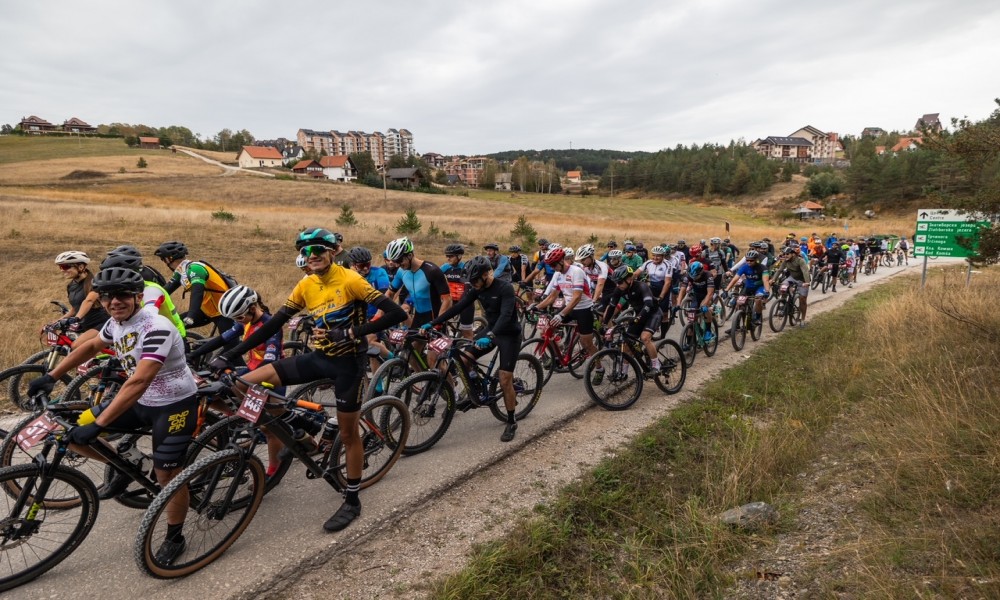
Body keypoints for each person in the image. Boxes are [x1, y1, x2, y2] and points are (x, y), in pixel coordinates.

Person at [209, 227, 407, 532]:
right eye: (307, 252)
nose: (312, 256)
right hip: (318, 357)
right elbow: (272, 323)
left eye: (318, 250)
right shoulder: (306, 284)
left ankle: (352, 500)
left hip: (347, 365)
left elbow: (395, 314)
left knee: (350, 434)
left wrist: (351, 332)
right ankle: (297, 429)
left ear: (332, 252)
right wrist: (229, 354)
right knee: (243, 382)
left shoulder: (351, 279)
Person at [29, 267, 198, 565]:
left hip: (173, 404)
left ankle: (175, 536)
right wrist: (51, 375)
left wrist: (101, 424)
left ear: (137, 296)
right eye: (107, 296)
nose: (114, 301)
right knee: (70, 434)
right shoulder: (116, 322)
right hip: (141, 400)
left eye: (122, 295)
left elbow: (138, 381)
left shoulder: (155, 327)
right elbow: (94, 345)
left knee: (167, 475)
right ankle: (129, 463)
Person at [426, 256, 521, 442]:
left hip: (508, 333)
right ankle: (476, 390)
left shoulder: (505, 288)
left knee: (504, 378)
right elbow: (459, 306)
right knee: (464, 358)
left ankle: (511, 420)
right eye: (471, 281)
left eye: (476, 280)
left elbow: (506, 315)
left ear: (486, 274)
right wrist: (434, 322)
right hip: (490, 330)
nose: (473, 284)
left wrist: (491, 336)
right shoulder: (476, 288)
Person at [529, 247, 601, 378]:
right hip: (570, 307)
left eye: (554, 264)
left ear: (562, 260)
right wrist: (536, 307)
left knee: (587, 343)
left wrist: (561, 314)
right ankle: (558, 355)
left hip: (584, 309)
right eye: (550, 265)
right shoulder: (558, 274)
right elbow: (552, 296)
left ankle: (599, 368)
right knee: (546, 329)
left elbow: (577, 297)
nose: (552, 267)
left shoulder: (576, 272)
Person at [155, 241, 236, 339]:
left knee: (230, 348)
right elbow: (163, 292)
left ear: (169, 259)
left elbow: (197, 292)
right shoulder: (181, 271)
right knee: (174, 325)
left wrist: (191, 315)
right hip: (206, 310)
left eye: (163, 259)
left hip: (224, 311)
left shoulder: (195, 269)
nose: (164, 262)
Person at [99, 249, 186, 338]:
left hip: (171, 338)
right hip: (147, 335)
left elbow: (148, 316)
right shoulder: (127, 292)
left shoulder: (150, 290)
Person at [602, 265, 663, 375]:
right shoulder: (619, 289)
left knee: (645, 338)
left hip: (653, 313)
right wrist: (605, 323)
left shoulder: (641, 286)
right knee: (627, 345)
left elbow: (648, 304)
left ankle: (656, 365)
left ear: (629, 279)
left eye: (620, 282)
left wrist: (638, 318)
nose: (618, 285)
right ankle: (623, 372)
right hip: (639, 315)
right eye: (616, 282)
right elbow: (611, 307)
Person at [53, 251, 110, 347]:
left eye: (66, 266)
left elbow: (89, 301)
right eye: (60, 267)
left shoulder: (94, 283)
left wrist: (76, 318)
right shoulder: (71, 285)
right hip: (85, 324)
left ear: (81, 267)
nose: (62, 270)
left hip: (101, 323)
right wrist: (58, 321)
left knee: (77, 346)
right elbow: (74, 309)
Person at [724, 249, 771, 325]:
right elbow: (735, 279)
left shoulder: (763, 268)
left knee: (758, 299)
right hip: (748, 287)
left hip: (759, 287)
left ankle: (758, 317)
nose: (749, 262)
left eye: (751, 260)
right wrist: (726, 290)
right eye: (747, 260)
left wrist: (767, 291)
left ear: (756, 260)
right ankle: (736, 325)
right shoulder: (745, 267)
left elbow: (765, 281)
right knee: (739, 303)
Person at [440, 243, 475, 340]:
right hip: (451, 300)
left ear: (459, 256)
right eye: (447, 256)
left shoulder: (466, 268)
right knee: (438, 321)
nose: (448, 259)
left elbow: (470, 287)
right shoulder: (445, 267)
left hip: (465, 302)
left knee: (466, 333)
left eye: (451, 256)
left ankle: (470, 350)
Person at [771, 246, 811, 326]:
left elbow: (805, 271)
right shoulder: (785, 261)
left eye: (787, 254)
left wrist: (807, 282)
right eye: (784, 254)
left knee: (802, 299)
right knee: (783, 287)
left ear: (793, 254)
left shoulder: (800, 260)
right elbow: (779, 270)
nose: (785, 255)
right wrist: (773, 279)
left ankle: (802, 319)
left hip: (802, 280)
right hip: (792, 278)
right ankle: (784, 302)